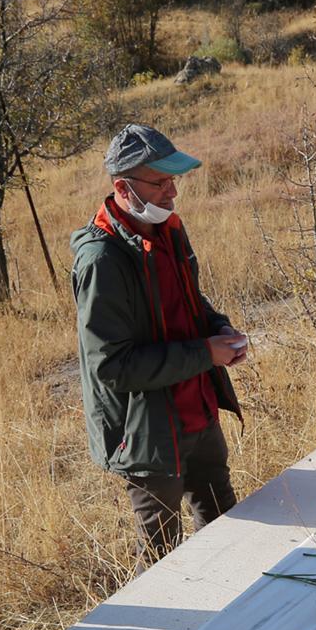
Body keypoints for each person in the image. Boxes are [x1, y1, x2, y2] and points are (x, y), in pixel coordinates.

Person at [71, 123, 247, 557]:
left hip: (199, 413)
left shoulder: (168, 228)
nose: (171, 193)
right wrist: (205, 353)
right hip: (147, 435)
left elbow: (189, 302)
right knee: (161, 560)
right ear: (122, 188)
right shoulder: (101, 259)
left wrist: (217, 328)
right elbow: (112, 366)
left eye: (173, 181)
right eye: (159, 182)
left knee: (227, 534)